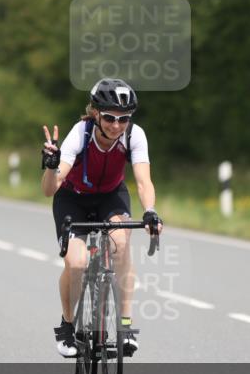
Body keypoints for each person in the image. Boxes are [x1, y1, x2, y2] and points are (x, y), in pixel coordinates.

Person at [41, 78, 163, 358]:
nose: (116, 125)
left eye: (124, 119)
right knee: (77, 262)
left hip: (110, 196)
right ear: (95, 113)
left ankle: (125, 324)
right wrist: (50, 167)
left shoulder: (135, 135)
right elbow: (50, 189)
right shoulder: (80, 133)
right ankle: (68, 324)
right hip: (72, 198)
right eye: (109, 117)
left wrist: (150, 210)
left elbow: (144, 182)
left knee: (121, 244)